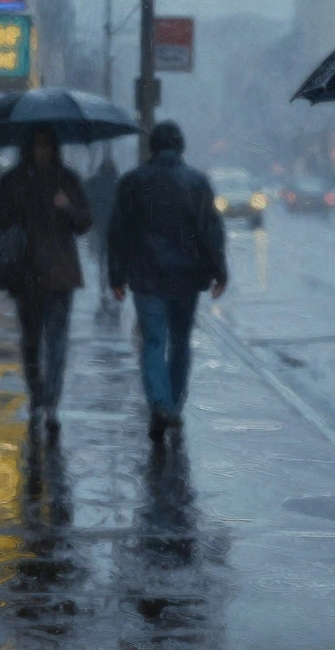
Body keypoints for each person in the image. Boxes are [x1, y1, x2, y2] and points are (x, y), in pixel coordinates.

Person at [108, 122, 227, 443]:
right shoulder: (196, 182)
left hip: (146, 276)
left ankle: (159, 402)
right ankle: (173, 404)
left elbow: (119, 233)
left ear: (152, 147)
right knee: (180, 342)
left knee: (153, 342)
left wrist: (117, 275)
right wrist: (219, 271)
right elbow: (209, 231)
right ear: (180, 146)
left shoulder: (132, 182)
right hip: (186, 277)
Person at [0, 125, 92, 432]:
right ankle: (36, 396)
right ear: (28, 148)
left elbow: (84, 222)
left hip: (60, 273)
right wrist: (18, 203)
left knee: (57, 341)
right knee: (32, 341)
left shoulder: (68, 179)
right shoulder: (13, 180)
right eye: (37, 145)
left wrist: (67, 206)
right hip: (26, 272)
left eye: (47, 145)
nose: (42, 151)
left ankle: (51, 403)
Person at [85, 158, 121, 292]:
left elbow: (86, 196)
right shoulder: (119, 183)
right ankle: (110, 280)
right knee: (112, 252)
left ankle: (103, 279)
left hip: (99, 222)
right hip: (113, 223)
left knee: (101, 251)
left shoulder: (94, 182)